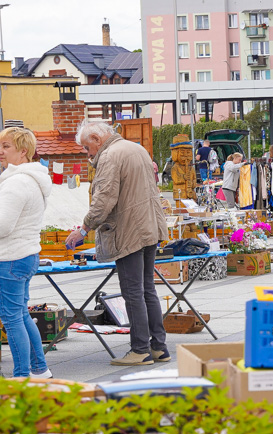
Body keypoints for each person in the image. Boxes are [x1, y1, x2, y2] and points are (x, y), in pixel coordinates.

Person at [66, 121, 169, 366]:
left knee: (133, 292)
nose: (86, 152)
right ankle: (158, 347)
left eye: (86, 146)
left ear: (97, 138)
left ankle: (140, 350)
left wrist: (83, 229)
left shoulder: (110, 156)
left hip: (129, 230)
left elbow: (104, 200)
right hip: (149, 227)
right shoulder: (136, 148)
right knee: (147, 290)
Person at [0, 127, 53, 378]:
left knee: (12, 319)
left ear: (23, 151)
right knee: (21, 314)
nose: (1, 151)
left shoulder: (16, 183)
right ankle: (40, 370)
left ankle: (21, 375)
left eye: (6, 146)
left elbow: (3, 226)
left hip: (9, 257)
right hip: (25, 255)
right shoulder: (32, 179)